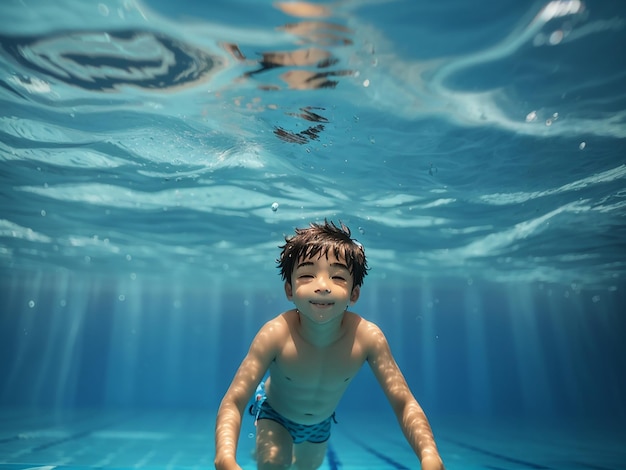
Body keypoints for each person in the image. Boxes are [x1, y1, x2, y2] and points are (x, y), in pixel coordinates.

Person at [214, 220, 444, 470]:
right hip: (275, 414)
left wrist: (429, 454)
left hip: (320, 423)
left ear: (354, 295)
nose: (322, 286)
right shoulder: (275, 334)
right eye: (306, 275)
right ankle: (263, 451)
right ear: (289, 290)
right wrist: (225, 458)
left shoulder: (367, 337)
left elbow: (404, 402)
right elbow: (234, 400)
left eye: (337, 277)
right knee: (273, 464)